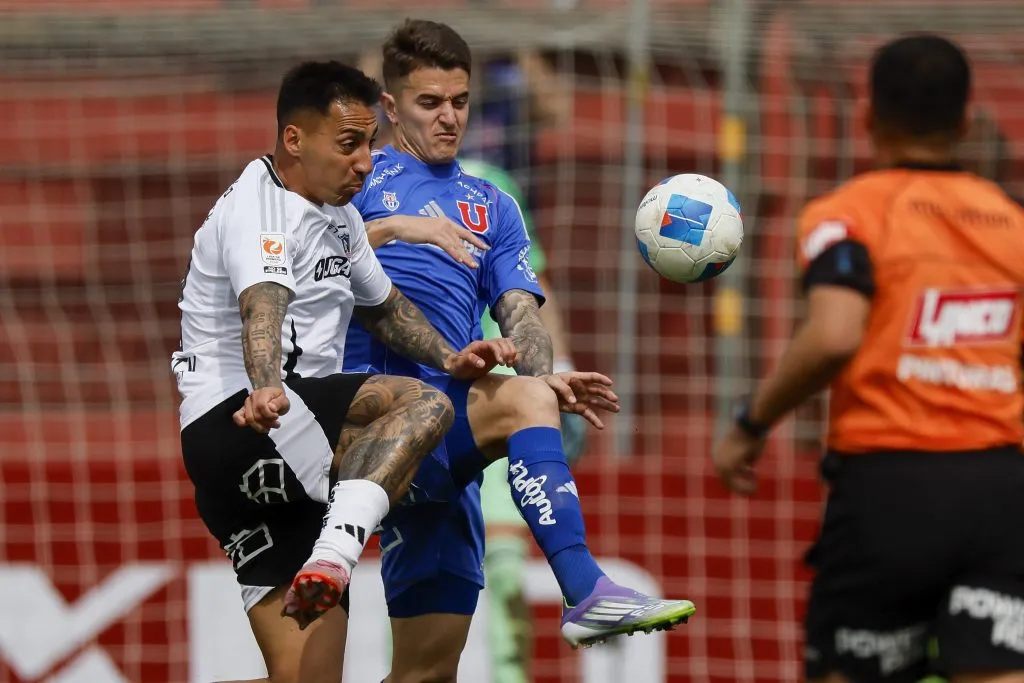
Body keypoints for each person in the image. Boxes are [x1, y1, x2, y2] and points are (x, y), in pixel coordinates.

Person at [343, 19, 695, 682]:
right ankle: (585, 588)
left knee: (424, 673)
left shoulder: (493, 202)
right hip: (359, 420)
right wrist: (392, 229)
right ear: (389, 107)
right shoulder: (352, 181)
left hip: (442, 440)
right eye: (429, 103)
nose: (449, 118)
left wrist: (547, 374)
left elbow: (520, 309)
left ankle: (583, 588)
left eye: (460, 101)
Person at [173, 60, 515, 683]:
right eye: (349, 144)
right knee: (425, 408)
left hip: (257, 453)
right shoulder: (262, 208)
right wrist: (267, 386)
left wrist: (449, 355)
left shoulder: (340, 215)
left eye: (369, 145)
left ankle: (327, 549)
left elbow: (383, 307)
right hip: (250, 418)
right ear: (295, 139)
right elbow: (262, 306)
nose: (364, 162)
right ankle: (337, 551)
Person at [711, 34, 1024, 683]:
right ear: (966, 120)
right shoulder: (1012, 219)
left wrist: (751, 422)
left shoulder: (848, 213)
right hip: (1001, 488)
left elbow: (832, 335)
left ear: (868, 116)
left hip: (892, 487)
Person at [461, 156, 588, 683]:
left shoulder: (493, 182)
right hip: (428, 398)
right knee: (426, 569)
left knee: (507, 570)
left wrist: (558, 367)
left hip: (503, 400)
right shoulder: (372, 180)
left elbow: (533, 286)